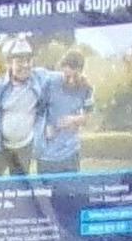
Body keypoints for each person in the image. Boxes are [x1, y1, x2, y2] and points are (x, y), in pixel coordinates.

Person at [0, 36, 53, 176]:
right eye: (20, 61)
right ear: (9, 63)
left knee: (19, 189)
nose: (26, 65)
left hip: (24, 147)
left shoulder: (39, 80)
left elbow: (62, 77)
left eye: (28, 60)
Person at [37, 46, 94, 174]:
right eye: (67, 76)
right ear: (62, 69)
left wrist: (75, 119)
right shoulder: (50, 83)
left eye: (75, 75)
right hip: (47, 155)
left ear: (80, 70)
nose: (71, 80)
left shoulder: (86, 88)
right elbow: (38, 113)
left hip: (71, 153)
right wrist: (45, 128)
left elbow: (88, 117)